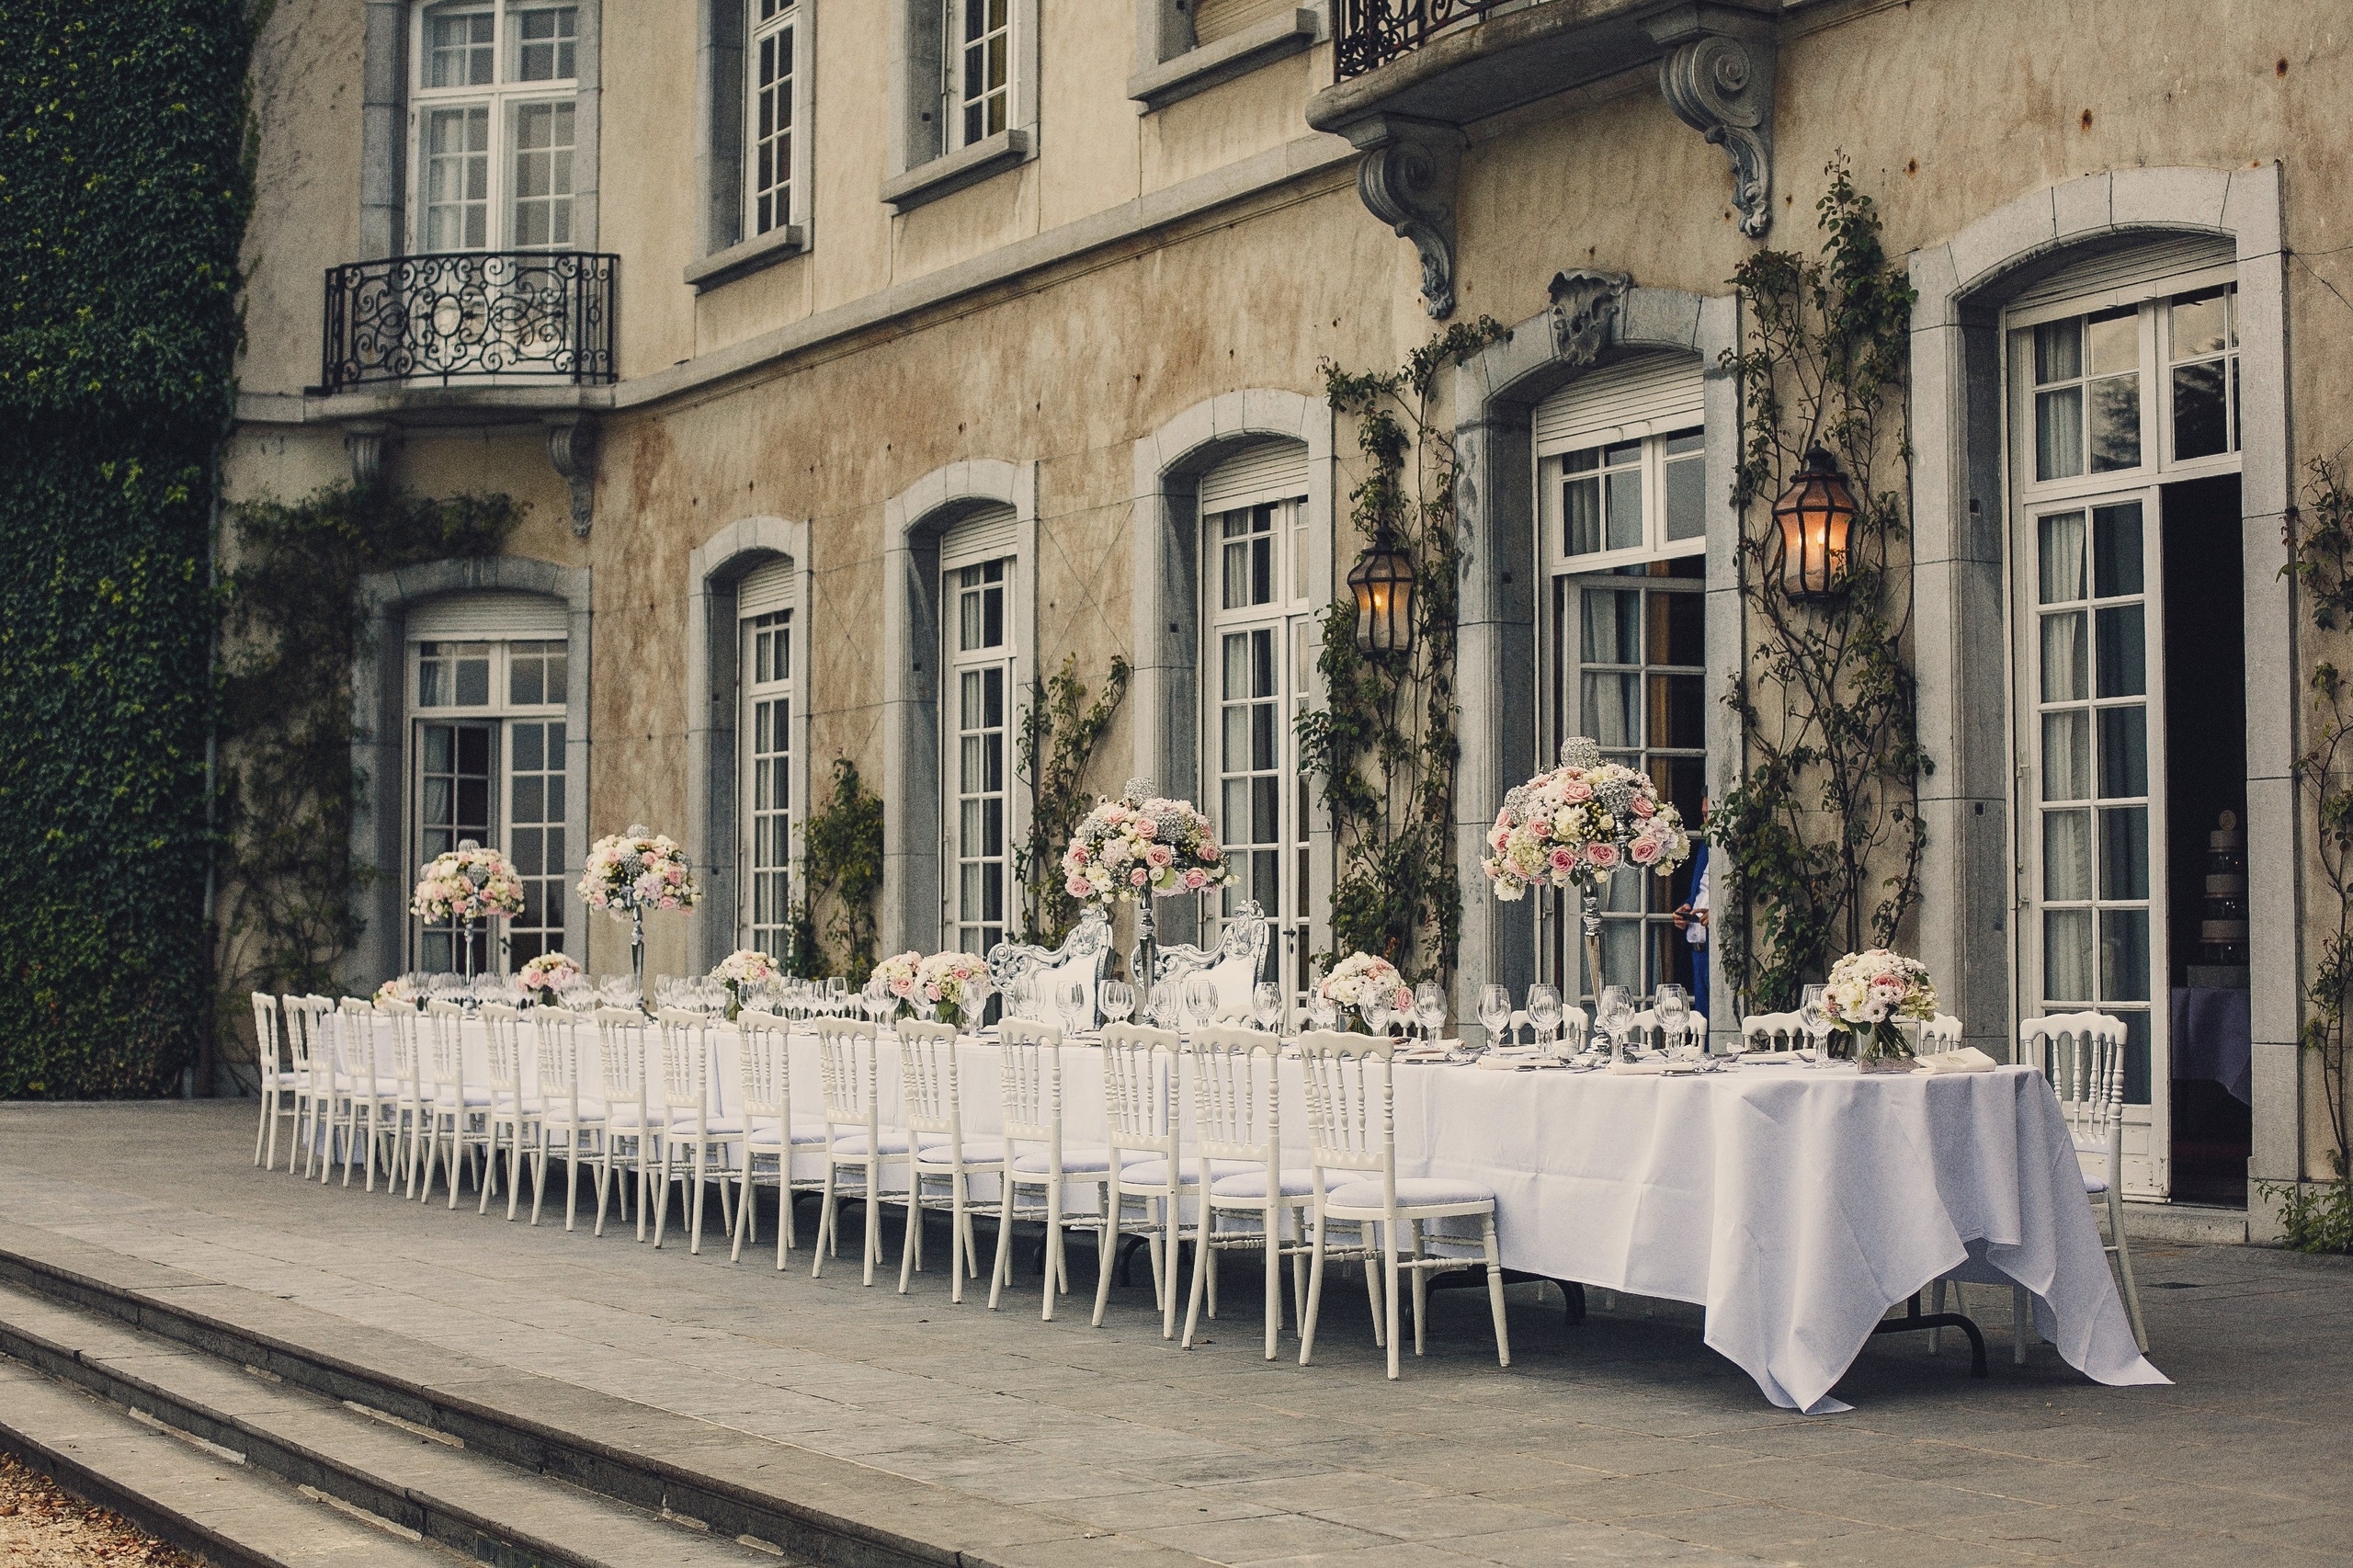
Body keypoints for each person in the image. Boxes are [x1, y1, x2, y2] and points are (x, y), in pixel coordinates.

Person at [1673, 799, 1711, 1026]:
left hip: (1717, 951)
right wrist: (1685, 909)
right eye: (1704, 815)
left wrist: (1718, 915)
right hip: (1697, 949)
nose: (1706, 822)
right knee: (1702, 1024)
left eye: (1710, 814)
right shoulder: (1705, 847)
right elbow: (1700, 892)